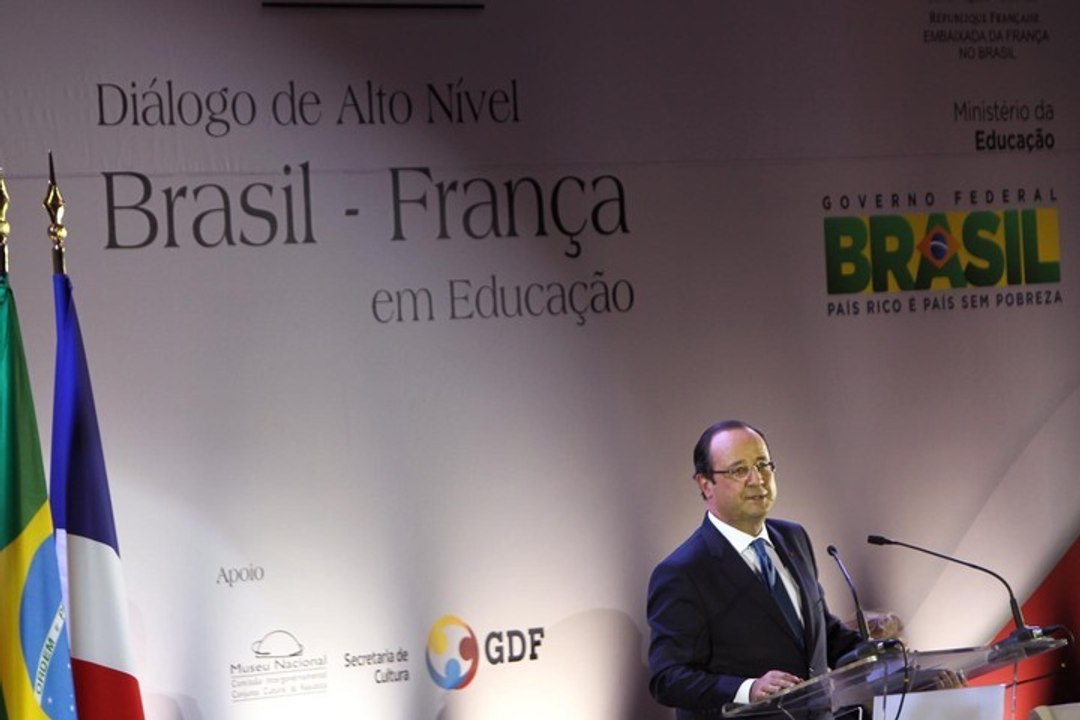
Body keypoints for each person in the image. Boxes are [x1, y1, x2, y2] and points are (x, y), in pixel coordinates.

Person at [647, 420, 863, 719]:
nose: (756, 479)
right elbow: (668, 679)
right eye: (739, 470)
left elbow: (819, 630)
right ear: (705, 484)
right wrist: (747, 689)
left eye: (763, 465)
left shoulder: (794, 537)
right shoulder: (683, 571)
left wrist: (875, 653)